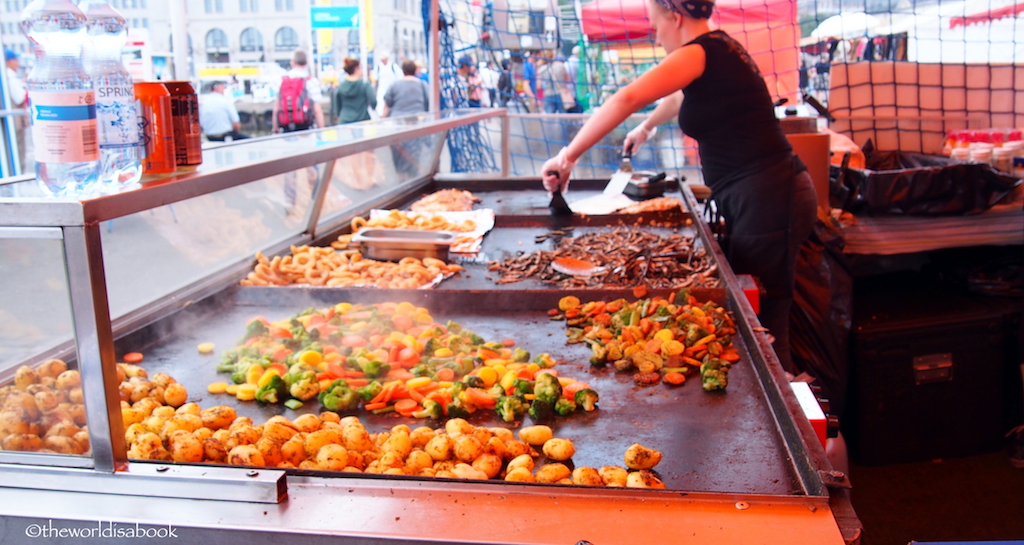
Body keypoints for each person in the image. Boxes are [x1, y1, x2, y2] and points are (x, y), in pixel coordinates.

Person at [540, 0, 817, 371]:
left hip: (770, 197)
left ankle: (789, 408)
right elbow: (675, 97)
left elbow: (627, 97)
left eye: (655, 25)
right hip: (762, 195)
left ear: (675, 15)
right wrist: (646, 127)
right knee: (757, 312)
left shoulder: (700, 50)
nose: (656, 35)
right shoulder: (718, 48)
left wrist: (567, 157)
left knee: (763, 319)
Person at [272, 49, 325, 133]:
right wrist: (321, 130)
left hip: (286, 128)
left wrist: (275, 129)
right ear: (306, 63)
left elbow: (276, 108)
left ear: (292, 62)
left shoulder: (281, 80)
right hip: (306, 128)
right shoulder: (310, 81)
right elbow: (317, 109)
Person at [333, 57, 376, 124]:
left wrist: (339, 115)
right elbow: (373, 101)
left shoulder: (341, 86)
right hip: (362, 120)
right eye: (360, 68)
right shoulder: (364, 85)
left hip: (345, 121)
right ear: (356, 69)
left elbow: (337, 105)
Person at [5, 48, 28, 172]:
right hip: (14, 122)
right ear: (8, 61)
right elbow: (20, 98)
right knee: (18, 152)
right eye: (15, 60)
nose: (18, 63)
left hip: (12, 122)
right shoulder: (9, 77)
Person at [372, 52, 403, 117]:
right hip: (382, 90)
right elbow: (376, 80)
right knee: (380, 107)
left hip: (393, 90)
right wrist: (375, 91)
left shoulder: (393, 66)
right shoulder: (378, 67)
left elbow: (400, 78)